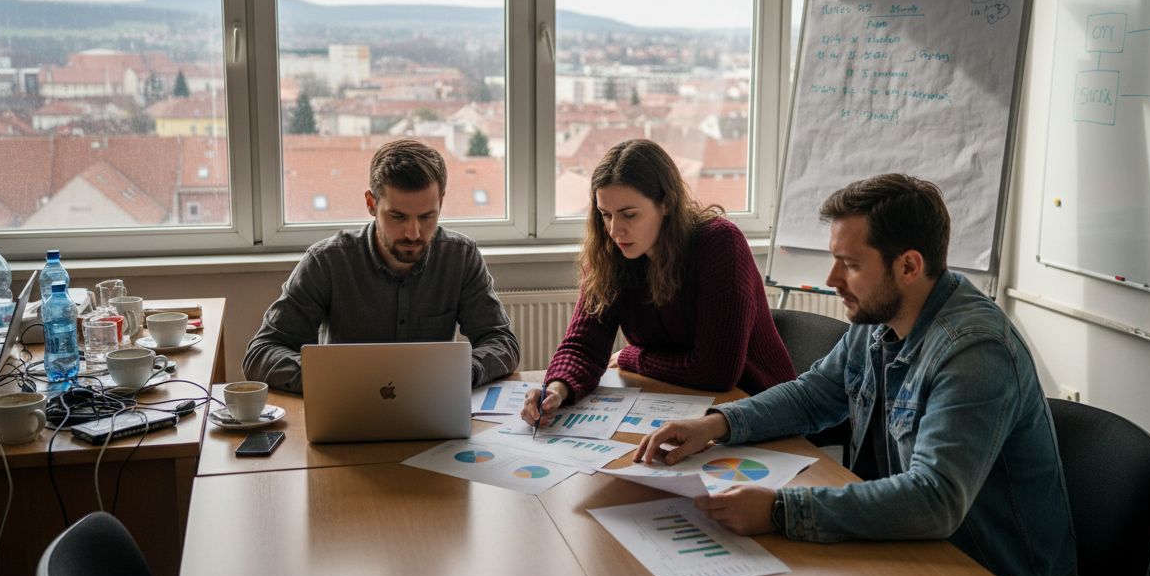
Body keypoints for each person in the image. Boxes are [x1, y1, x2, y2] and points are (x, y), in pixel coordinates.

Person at [634, 173, 1081, 576]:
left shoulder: (974, 352)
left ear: (908, 266)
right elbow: (814, 395)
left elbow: (935, 500)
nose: (832, 279)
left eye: (849, 264)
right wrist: (717, 424)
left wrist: (778, 510)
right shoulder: (879, 320)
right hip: (914, 547)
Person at [521, 138, 794, 425]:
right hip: (678, 403)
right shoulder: (610, 253)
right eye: (605, 215)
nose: (615, 230)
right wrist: (555, 390)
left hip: (757, 408)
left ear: (666, 203)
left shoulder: (720, 243)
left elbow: (716, 372)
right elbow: (583, 346)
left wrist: (631, 356)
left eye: (629, 214)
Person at [244, 137, 519, 392]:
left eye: (427, 216)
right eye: (398, 216)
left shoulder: (460, 257)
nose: (414, 233)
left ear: (441, 202)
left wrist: (462, 373)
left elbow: (502, 342)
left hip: (434, 415)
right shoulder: (328, 262)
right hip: (346, 409)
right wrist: (337, 380)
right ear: (371, 203)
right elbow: (262, 353)